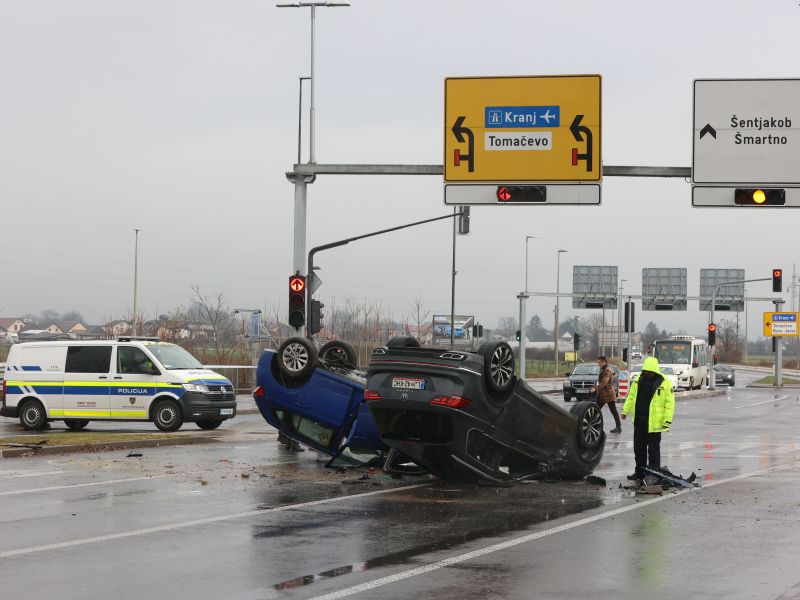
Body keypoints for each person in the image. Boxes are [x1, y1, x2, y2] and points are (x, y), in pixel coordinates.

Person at [621, 356, 675, 480]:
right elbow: (631, 396)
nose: (647, 374)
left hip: (654, 423)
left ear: (655, 371)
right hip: (639, 421)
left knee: (653, 451)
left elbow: (670, 404)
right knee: (639, 449)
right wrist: (625, 410)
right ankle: (640, 472)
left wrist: (667, 421)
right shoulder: (638, 380)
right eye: (646, 371)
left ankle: (653, 474)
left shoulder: (665, 382)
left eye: (650, 372)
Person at [591, 356, 621, 434]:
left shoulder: (607, 370)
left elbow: (604, 381)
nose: (599, 364)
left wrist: (596, 389)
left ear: (604, 361)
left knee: (613, 410)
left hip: (608, 394)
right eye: (598, 362)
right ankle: (593, 426)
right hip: (602, 394)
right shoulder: (603, 369)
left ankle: (618, 427)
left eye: (600, 362)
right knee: (596, 410)